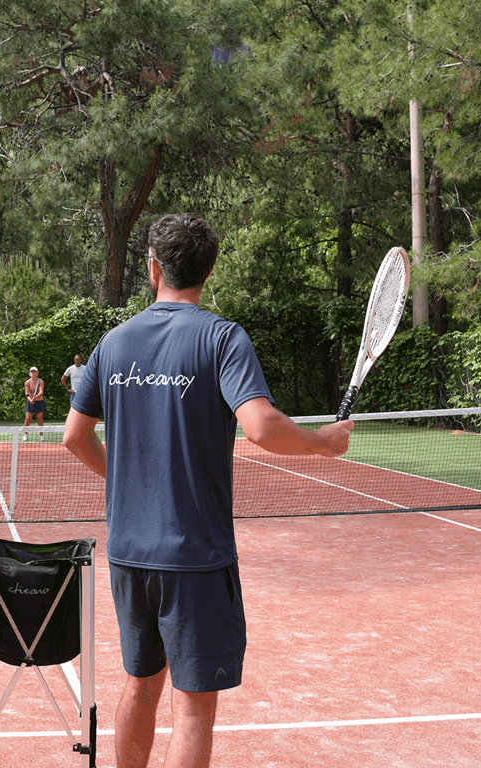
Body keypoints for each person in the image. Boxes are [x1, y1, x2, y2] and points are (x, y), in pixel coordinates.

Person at [62, 213, 353, 768]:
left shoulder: (113, 342)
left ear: (153, 269)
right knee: (193, 708)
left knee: (140, 686)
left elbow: (74, 438)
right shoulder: (222, 337)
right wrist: (321, 442)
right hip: (194, 556)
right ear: (210, 269)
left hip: (129, 554)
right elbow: (261, 427)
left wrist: (128, 479)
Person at [22, 366, 45, 441]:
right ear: (29, 373)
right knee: (28, 419)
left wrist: (35, 397)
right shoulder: (27, 382)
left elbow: (41, 391)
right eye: (32, 372)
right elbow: (27, 393)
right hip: (30, 402)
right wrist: (30, 400)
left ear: (37, 373)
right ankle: (25, 434)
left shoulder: (41, 381)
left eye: (35, 372)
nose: (33, 373)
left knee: (40, 419)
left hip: (39, 401)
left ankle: (41, 435)